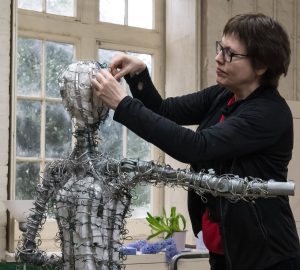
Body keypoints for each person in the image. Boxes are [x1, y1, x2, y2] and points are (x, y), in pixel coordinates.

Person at [91, 13, 300, 270]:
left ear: (261, 66)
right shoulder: (224, 95)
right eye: (220, 48)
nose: (218, 57)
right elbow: (165, 110)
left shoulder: (268, 113)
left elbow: (195, 147)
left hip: (267, 258)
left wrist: (123, 104)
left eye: (230, 54)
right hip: (224, 253)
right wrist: (139, 75)